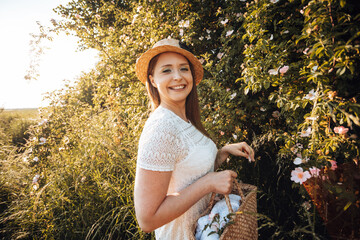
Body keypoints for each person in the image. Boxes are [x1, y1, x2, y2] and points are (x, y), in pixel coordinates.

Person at [134, 38, 255, 240]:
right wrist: (208, 184)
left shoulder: (185, 120)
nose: (177, 77)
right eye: (166, 70)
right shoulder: (161, 128)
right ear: (153, 80)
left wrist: (221, 153)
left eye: (183, 68)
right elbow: (147, 220)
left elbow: (186, 173)